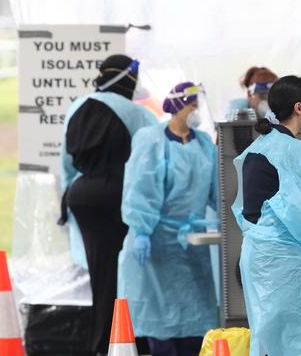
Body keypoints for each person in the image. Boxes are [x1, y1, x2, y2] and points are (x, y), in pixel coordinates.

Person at [232, 75, 301, 355]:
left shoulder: (259, 146)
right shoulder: (294, 151)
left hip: (256, 258)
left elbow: (247, 210)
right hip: (285, 263)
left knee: (272, 341)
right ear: (298, 108)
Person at [58, 54, 157, 355]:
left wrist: (68, 197)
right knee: (125, 278)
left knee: (102, 277)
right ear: (130, 81)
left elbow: (66, 163)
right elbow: (151, 164)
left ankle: (103, 344)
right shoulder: (137, 115)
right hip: (119, 198)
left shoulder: (76, 106)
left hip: (82, 196)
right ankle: (124, 344)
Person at [118, 82, 219, 356]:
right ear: (178, 106)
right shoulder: (152, 140)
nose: (196, 110)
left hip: (192, 245)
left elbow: (217, 192)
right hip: (155, 244)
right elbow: (141, 187)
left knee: (196, 321)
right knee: (161, 321)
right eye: (192, 104)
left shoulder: (204, 146)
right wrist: (141, 230)